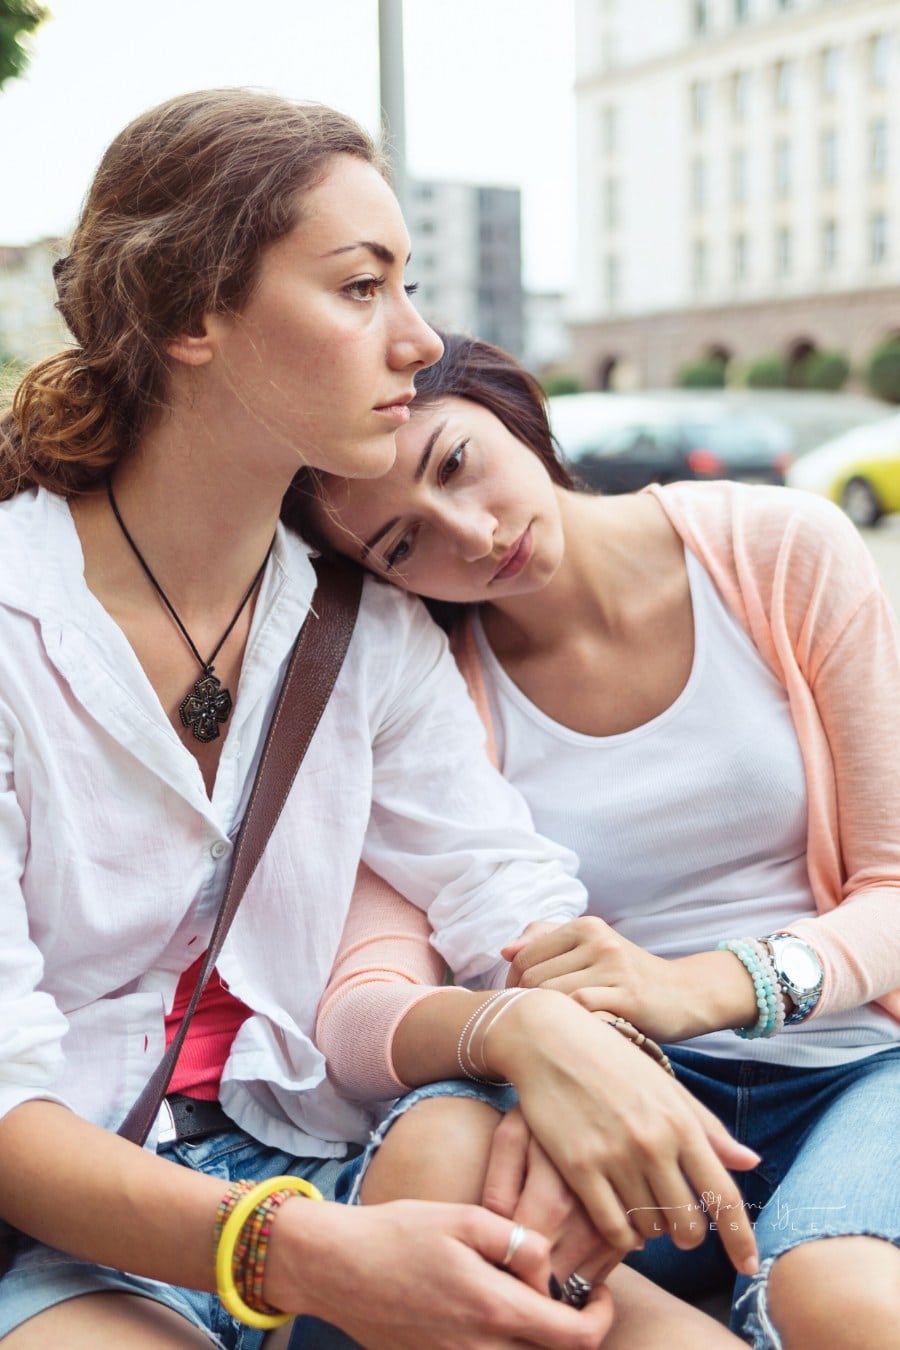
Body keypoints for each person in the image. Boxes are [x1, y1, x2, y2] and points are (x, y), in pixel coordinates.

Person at [0, 92, 761, 1350]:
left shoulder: (363, 634)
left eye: (408, 287)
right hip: (71, 1232)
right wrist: (295, 1252)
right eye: (361, 290)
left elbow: (506, 897)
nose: (418, 342)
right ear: (193, 316)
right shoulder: (18, 623)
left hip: (335, 1151)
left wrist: (563, 1062)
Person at [304, 331, 900, 1350]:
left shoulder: (779, 549)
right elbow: (359, 1013)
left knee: (840, 1301)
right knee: (446, 1178)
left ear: (503, 402)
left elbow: (892, 883)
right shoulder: (418, 684)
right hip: (614, 1093)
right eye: (403, 545)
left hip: (853, 1065)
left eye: (454, 463)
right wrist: (542, 1043)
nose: (471, 531)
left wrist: (708, 986)